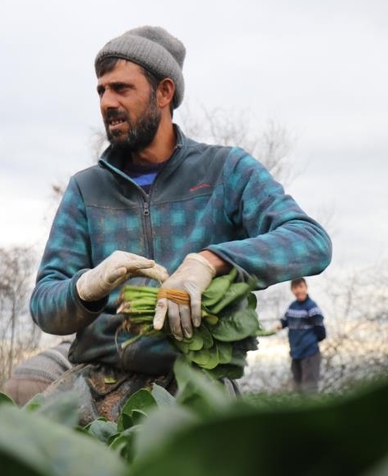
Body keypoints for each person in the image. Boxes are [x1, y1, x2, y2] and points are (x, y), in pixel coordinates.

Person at [30, 25, 332, 422]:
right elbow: (44, 306)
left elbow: (310, 241)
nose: (107, 101)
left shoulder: (226, 170)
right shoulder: (87, 189)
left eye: (121, 88)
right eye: (101, 90)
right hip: (100, 377)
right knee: (23, 406)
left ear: (164, 93)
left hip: (195, 377)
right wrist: (86, 288)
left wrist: (208, 261)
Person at [271, 277, 327, 392]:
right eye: (295, 288)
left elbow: (321, 331)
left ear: (306, 288)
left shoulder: (312, 307)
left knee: (309, 388)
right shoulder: (292, 307)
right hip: (296, 353)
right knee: (297, 388)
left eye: (301, 287)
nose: (298, 290)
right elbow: (285, 320)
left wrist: (310, 341)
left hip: (310, 353)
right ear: (292, 290)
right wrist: (278, 325)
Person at [3, 338, 73, 406]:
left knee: (13, 416)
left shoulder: (52, 350)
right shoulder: (74, 350)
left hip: (13, 381)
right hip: (38, 381)